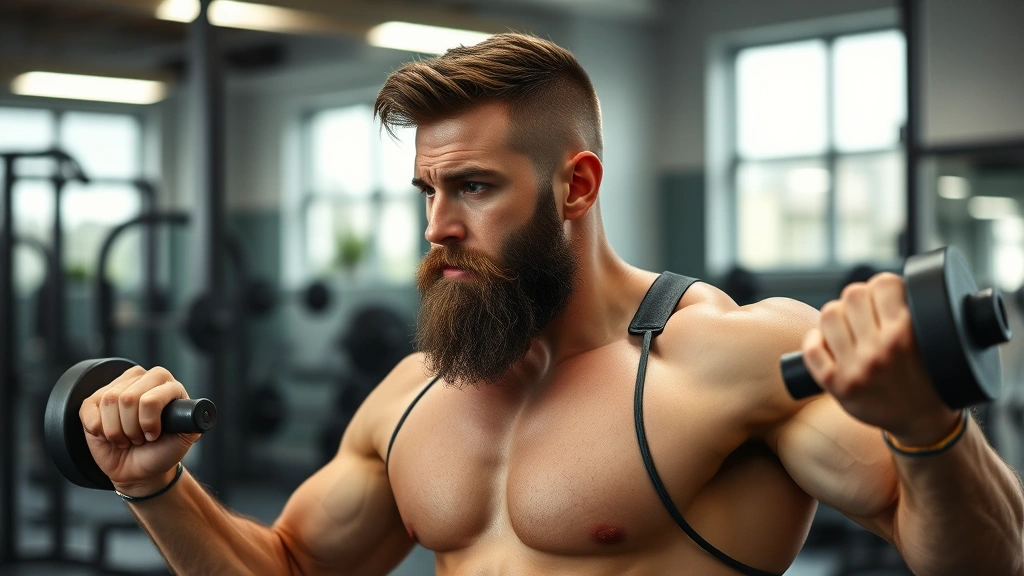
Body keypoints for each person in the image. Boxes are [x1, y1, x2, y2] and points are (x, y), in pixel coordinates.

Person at [79, 33, 1024, 575]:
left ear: (576, 186)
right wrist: (155, 485)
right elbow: (286, 569)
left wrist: (926, 429)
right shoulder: (416, 393)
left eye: (476, 188)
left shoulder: (731, 359)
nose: (437, 227)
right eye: (427, 193)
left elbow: (986, 561)